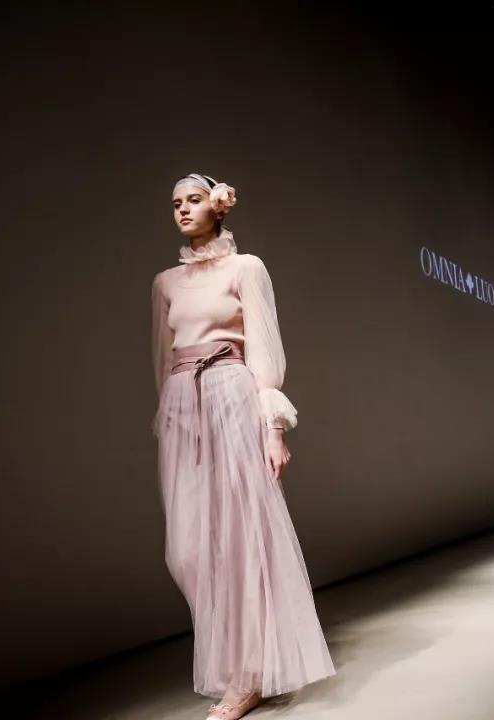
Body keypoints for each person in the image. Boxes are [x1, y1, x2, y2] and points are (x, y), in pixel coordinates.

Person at [152, 174, 334, 719]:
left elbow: (264, 350)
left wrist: (272, 426)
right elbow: (162, 359)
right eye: (176, 203)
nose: (183, 210)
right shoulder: (165, 282)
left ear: (219, 206)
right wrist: (171, 417)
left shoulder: (246, 267)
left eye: (193, 200)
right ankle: (239, 663)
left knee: (241, 539)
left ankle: (246, 675)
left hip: (232, 394)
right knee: (186, 551)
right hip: (183, 404)